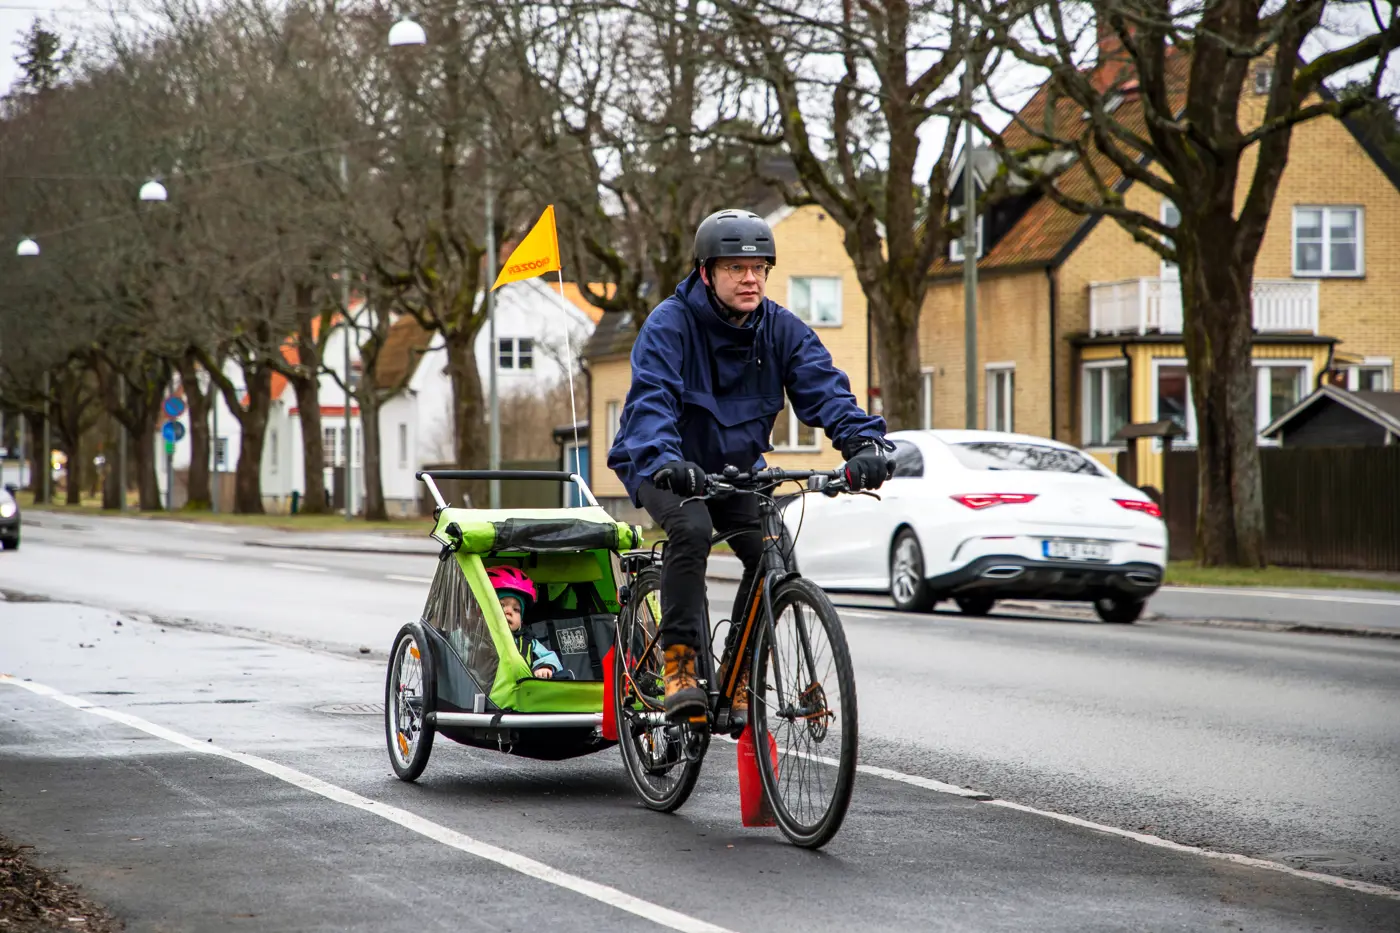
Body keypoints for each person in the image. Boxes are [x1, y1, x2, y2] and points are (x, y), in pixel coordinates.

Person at [607, 207, 891, 723]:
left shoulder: (781, 330)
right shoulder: (668, 325)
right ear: (706, 272)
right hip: (664, 463)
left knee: (773, 549)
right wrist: (668, 459)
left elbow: (824, 387)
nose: (750, 278)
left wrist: (862, 444)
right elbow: (652, 402)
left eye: (759, 268)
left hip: (737, 469)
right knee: (691, 529)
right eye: (736, 268)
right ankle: (680, 665)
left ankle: (741, 676)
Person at [487, 566, 562, 680]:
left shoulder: (528, 640)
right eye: (501, 605)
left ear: (521, 621)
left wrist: (545, 667)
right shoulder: (477, 636)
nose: (509, 612)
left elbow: (549, 657)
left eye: (516, 610)